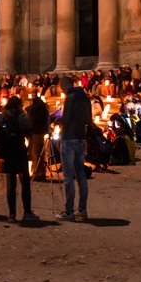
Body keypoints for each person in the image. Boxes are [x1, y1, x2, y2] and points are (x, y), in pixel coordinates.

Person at [0, 96, 39, 221]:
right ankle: (27, 212)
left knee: (11, 184)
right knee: (25, 182)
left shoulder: (2, 117)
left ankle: (12, 214)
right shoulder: (22, 116)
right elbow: (29, 134)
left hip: (7, 153)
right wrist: (30, 150)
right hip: (19, 151)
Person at [56, 76, 92, 222]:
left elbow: (66, 119)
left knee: (69, 175)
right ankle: (82, 210)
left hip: (69, 138)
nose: (61, 90)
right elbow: (88, 120)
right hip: (81, 138)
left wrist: (57, 120)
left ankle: (69, 211)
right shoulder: (85, 98)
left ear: (65, 85)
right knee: (81, 174)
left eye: (61, 87)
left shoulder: (71, 98)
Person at [26, 93, 50, 181]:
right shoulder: (42, 107)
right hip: (40, 131)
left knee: (36, 152)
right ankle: (41, 172)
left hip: (36, 131)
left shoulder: (36, 107)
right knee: (40, 152)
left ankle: (37, 172)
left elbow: (32, 120)